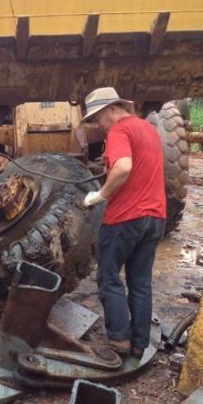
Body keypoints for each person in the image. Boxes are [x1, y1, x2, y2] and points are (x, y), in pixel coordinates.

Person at [81, 87, 166, 359]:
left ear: (110, 109)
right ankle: (139, 344)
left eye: (97, 117)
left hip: (125, 218)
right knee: (140, 281)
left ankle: (119, 339)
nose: (97, 124)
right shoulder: (148, 129)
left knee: (108, 278)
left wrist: (101, 194)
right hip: (156, 217)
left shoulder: (118, 131)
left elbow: (124, 167)